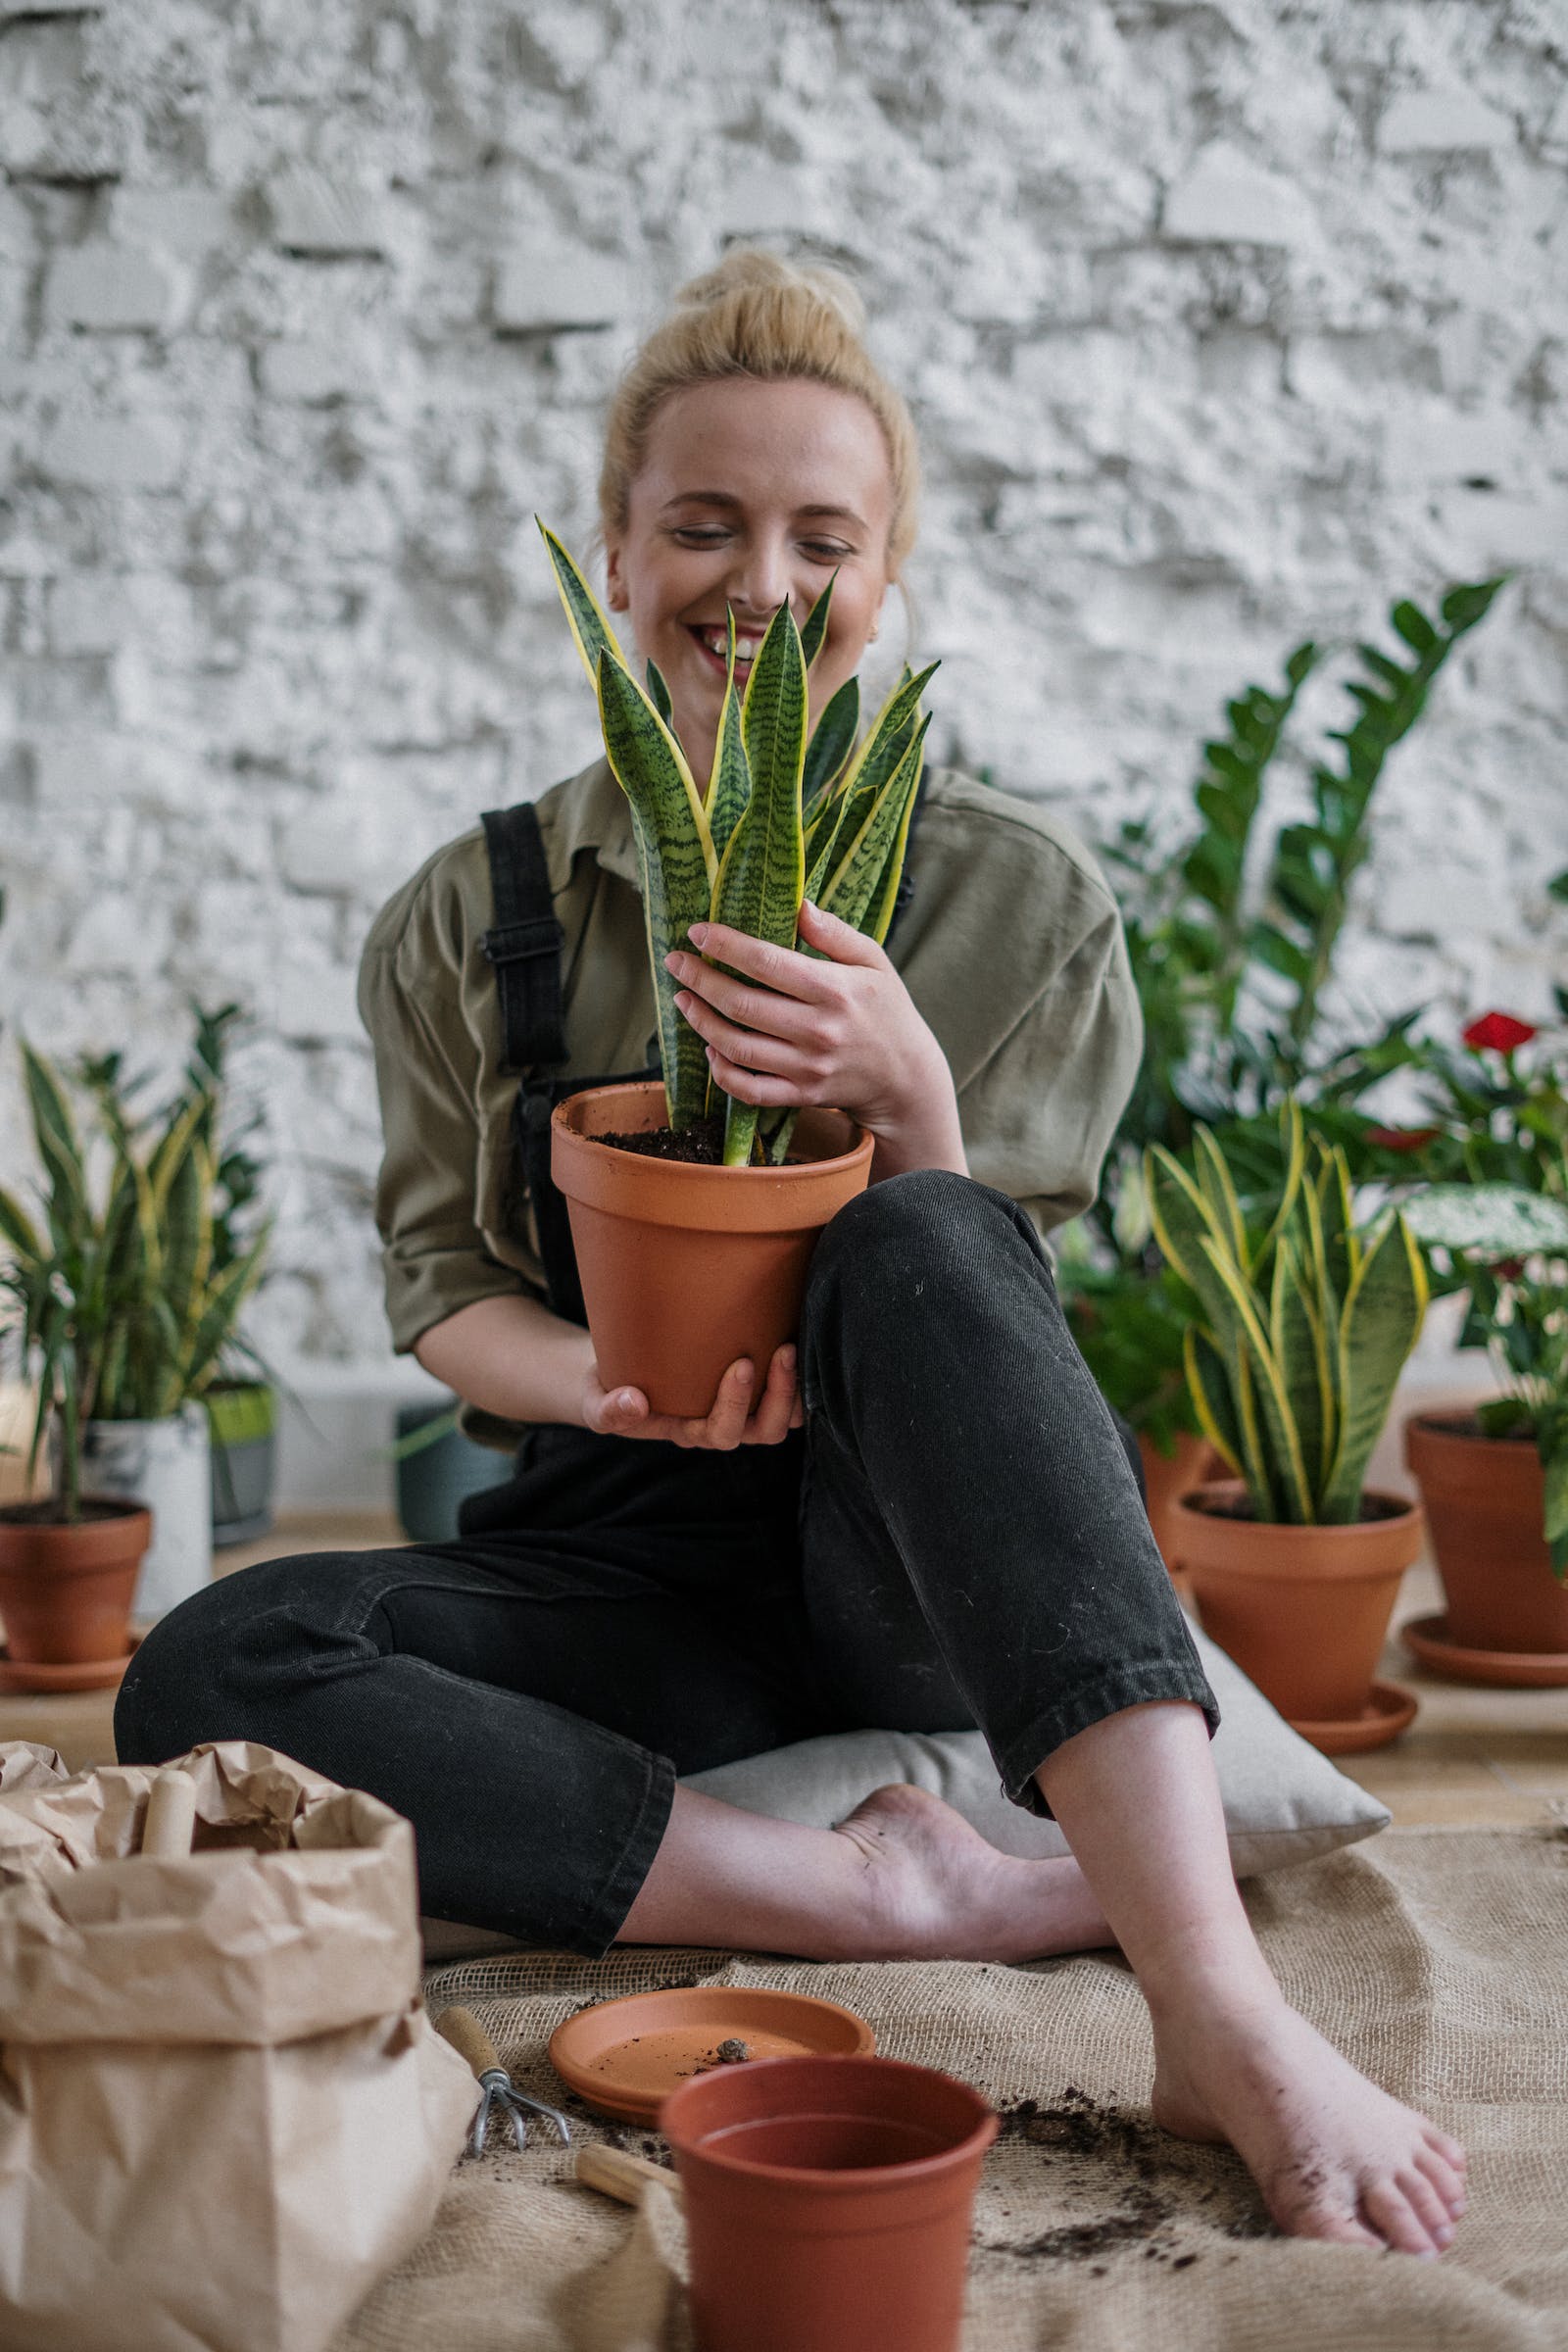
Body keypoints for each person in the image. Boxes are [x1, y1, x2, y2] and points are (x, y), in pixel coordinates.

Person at [116, 249, 1465, 2258]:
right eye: (700, 524)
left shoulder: (1015, 899)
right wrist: (612, 1384)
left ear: (884, 571)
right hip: (622, 1548)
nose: (755, 580)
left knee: (922, 1230)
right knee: (203, 1670)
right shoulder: (465, 914)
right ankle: (885, 1894)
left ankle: (1211, 2003)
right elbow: (441, 1296)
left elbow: (998, 1339)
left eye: (818, 537)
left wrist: (907, 1101)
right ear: (618, 550)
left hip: (906, 1573)